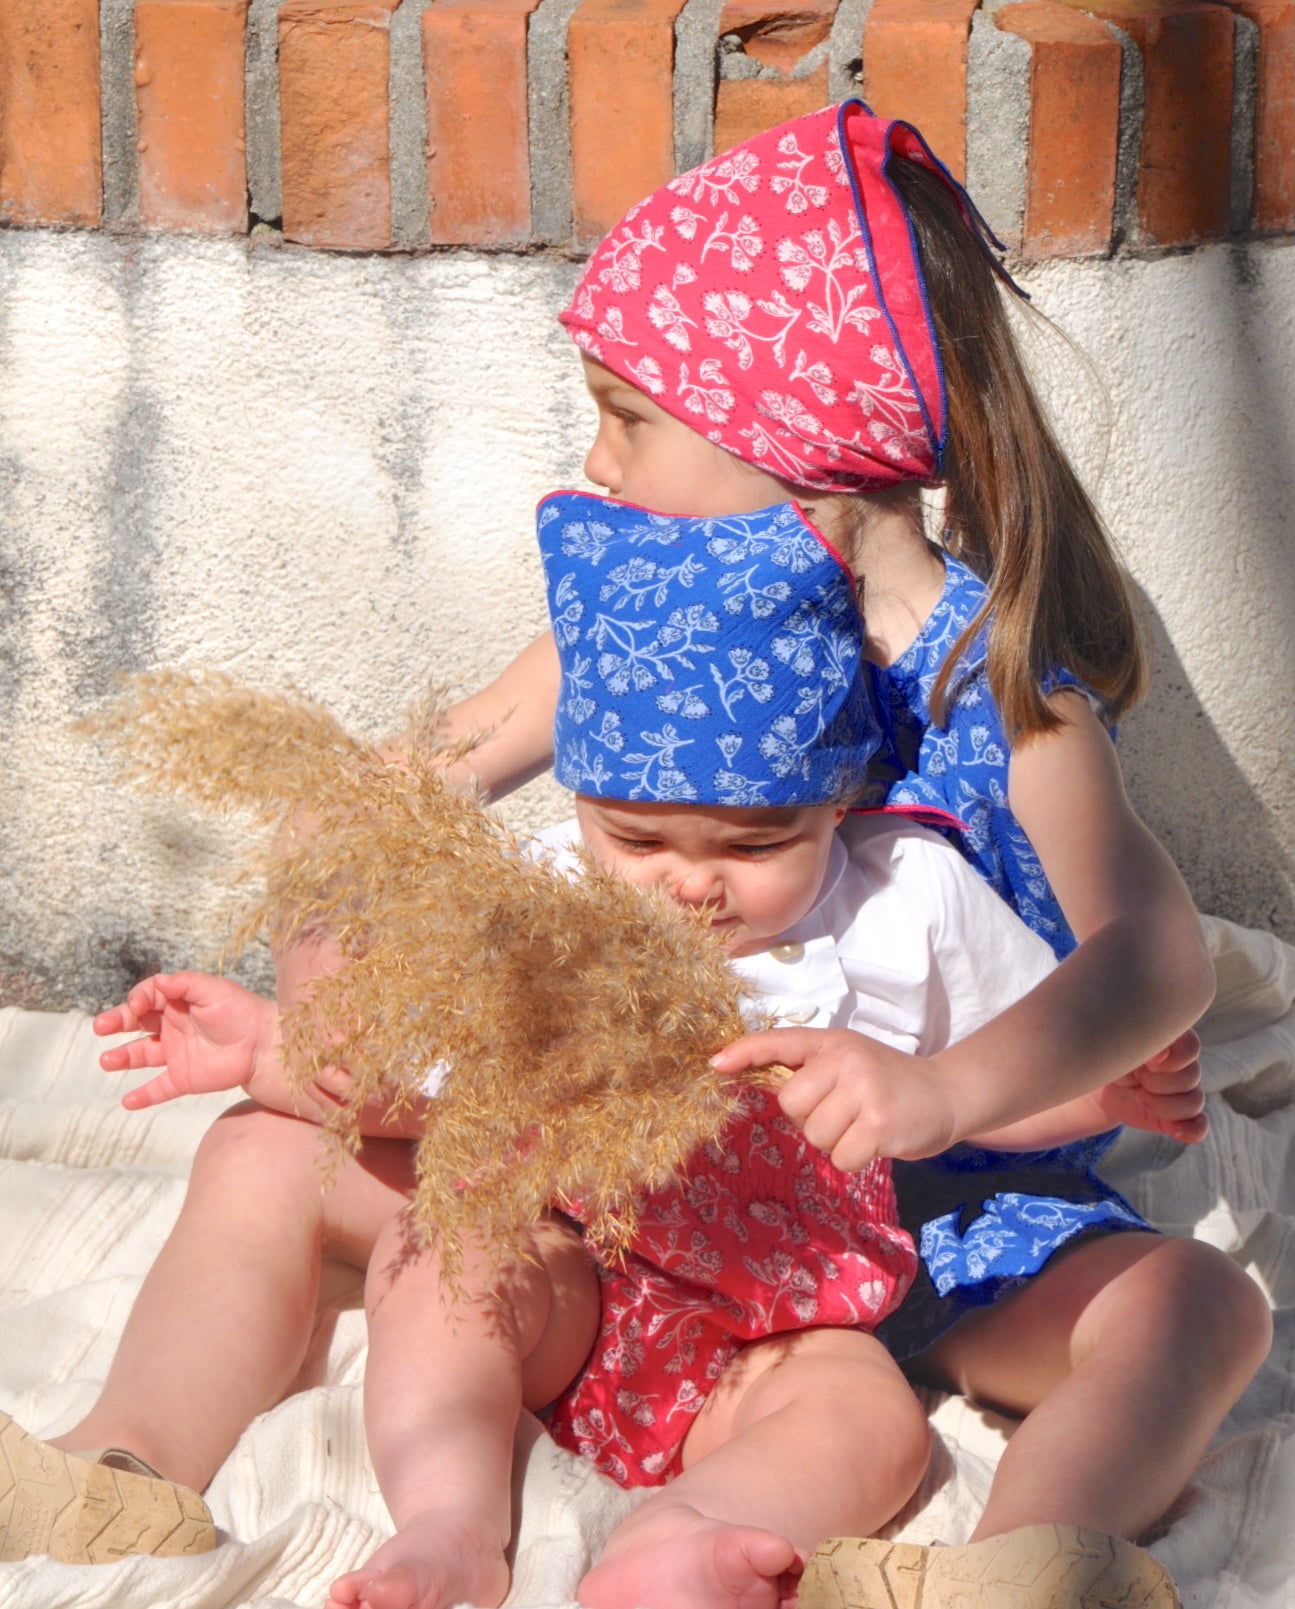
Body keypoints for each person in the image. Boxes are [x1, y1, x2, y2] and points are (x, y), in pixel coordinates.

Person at [315, 99, 1266, 1585]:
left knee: (1199, 1306)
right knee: (278, 1156)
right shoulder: (651, 627)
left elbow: (1153, 954)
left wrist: (940, 1091)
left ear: (789, 434)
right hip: (678, 1208)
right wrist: (331, 967)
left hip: (957, 1208)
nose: (597, 460)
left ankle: (1023, 1565)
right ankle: (132, 1462)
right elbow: (386, 800)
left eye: (629, 415)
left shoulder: (992, 682)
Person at [0, 493, 1165, 1609]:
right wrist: (273, 1054)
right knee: (337, 1193)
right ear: (582, 803)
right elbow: (432, 1097)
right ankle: (274, 1485)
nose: (691, 882)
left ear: (838, 797)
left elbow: (1003, 1072)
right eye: (637, 837)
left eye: (755, 843)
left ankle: (682, 1543)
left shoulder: (905, 902)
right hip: (566, 1270)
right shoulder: (548, 904)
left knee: (870, 1421)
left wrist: (1103, 1087)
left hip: (776, 1323)